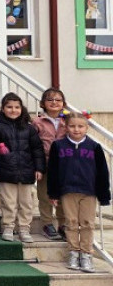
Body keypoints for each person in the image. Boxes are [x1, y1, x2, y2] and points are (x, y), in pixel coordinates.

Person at [47, 112, 111, 273]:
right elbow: (53, 171)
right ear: (66, 127)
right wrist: (53, 193)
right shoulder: (58, 146)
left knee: (88, 223)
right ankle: (74, 252)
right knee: (71, 222)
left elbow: (102, 172)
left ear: (87, 128)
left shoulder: (94, 147)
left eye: (80, 126)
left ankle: (86, 254)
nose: (76, 129)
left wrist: (104, 194)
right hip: (67, 191)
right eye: (72, 126)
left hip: (88, 191)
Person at [0, 92, 45, 243]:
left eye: (16, 107)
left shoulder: (29, 128)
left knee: (26, 203)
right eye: (9, 107)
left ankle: (24, 228)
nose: (13, 110)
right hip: (5, 172)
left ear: (21, 109)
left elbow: (37, 149)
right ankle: (8, 227)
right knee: (9, 202)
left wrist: (39, 168)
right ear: (2, 109)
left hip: (27, 171)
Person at [32, 88, 67, 240]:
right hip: (45, 164)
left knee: (63, 196)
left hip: (64, 165)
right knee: (45, 195)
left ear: (63, 103)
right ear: (43, 103)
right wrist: (37, 166)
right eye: (50, 100)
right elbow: (34, 145)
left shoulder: (67, 121)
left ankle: (63, 224)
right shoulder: (37, 122)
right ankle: (47, 223)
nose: (54, 102)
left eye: (58, 100)